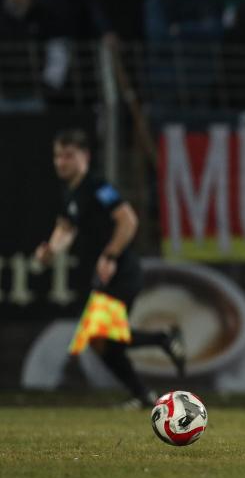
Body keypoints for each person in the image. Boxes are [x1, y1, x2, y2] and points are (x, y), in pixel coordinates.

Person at [34, 129, 185, 408]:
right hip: (109, 271)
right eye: (58, 156)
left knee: (100, 337)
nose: (61, 162)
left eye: (68, 156)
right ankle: (144, 390)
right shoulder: (72, 194)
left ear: (85, 157)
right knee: (103, 342)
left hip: (121, 269)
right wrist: (51, 251)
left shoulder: (97, 186)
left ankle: (161, 344)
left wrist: (111, 255)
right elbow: (65, 228)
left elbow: (128, 220)